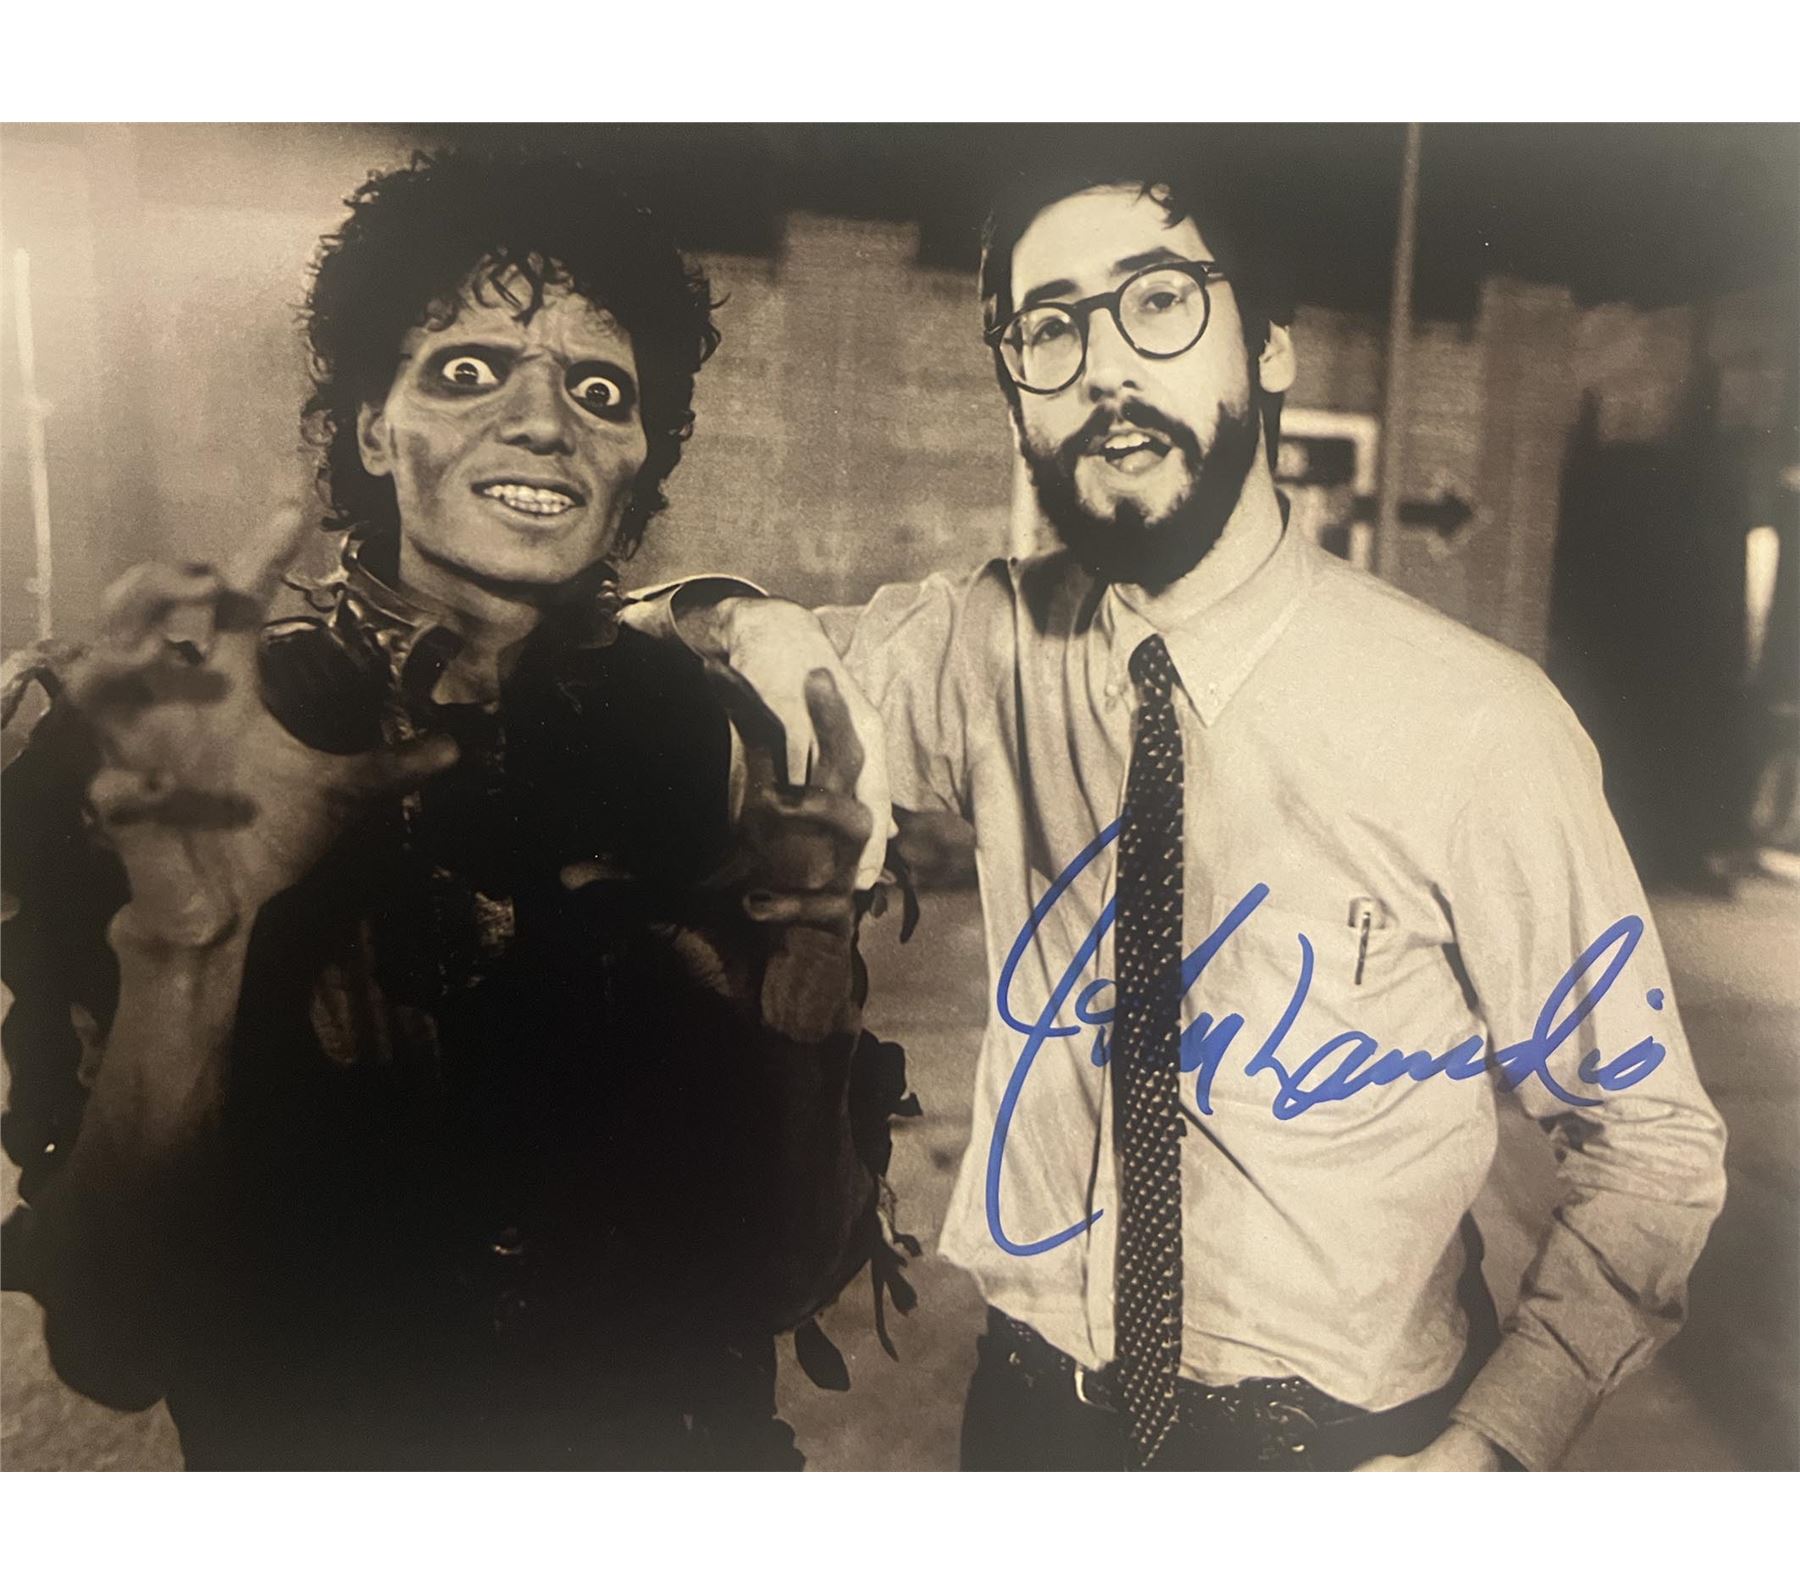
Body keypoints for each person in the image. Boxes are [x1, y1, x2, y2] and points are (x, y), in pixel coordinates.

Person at [639, 150, 1730, 1470]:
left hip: (1344, 1458)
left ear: (1268, 346)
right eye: (1049, 330)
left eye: (1157, 301)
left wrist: (1491, 1448)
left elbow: (1650, 1141)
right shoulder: (988, 649)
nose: (1105, 368)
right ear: (1016, 392)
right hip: (1031, 1430)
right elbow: (662, 656)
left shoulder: (1477, 723)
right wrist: (726, 615)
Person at [0, 147, 905, 1469]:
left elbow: (782, 1273)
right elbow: (114, 1339)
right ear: (373, 429)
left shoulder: (709, 738)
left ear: (638, 459)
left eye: (601, 390)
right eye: (469, 370)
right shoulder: (191, 745)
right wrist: (187, 954)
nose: (546, 422)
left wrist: (807, 975)